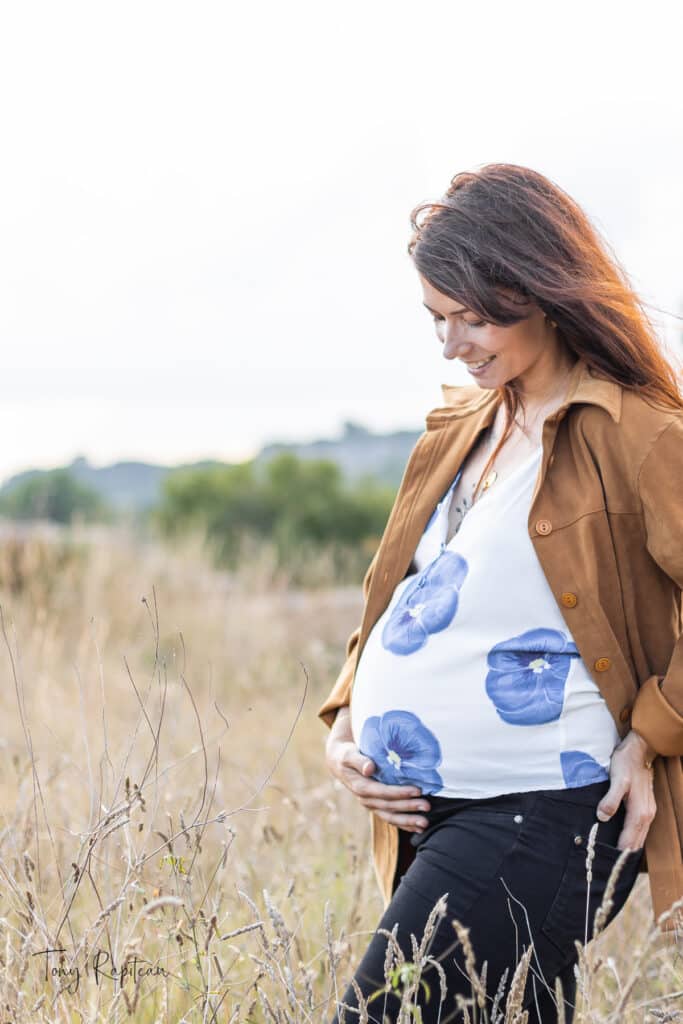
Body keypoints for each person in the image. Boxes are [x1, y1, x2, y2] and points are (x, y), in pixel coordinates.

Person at [318, 163, 683, 1023]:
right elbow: (398, 595)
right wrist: (346, 726)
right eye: (437, 320)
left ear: (545, 292)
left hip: (544, 806)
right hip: (436, 816)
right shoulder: (461, 429)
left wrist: (648, 737)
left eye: (474, 318)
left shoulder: (638, 434)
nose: (453, 345)